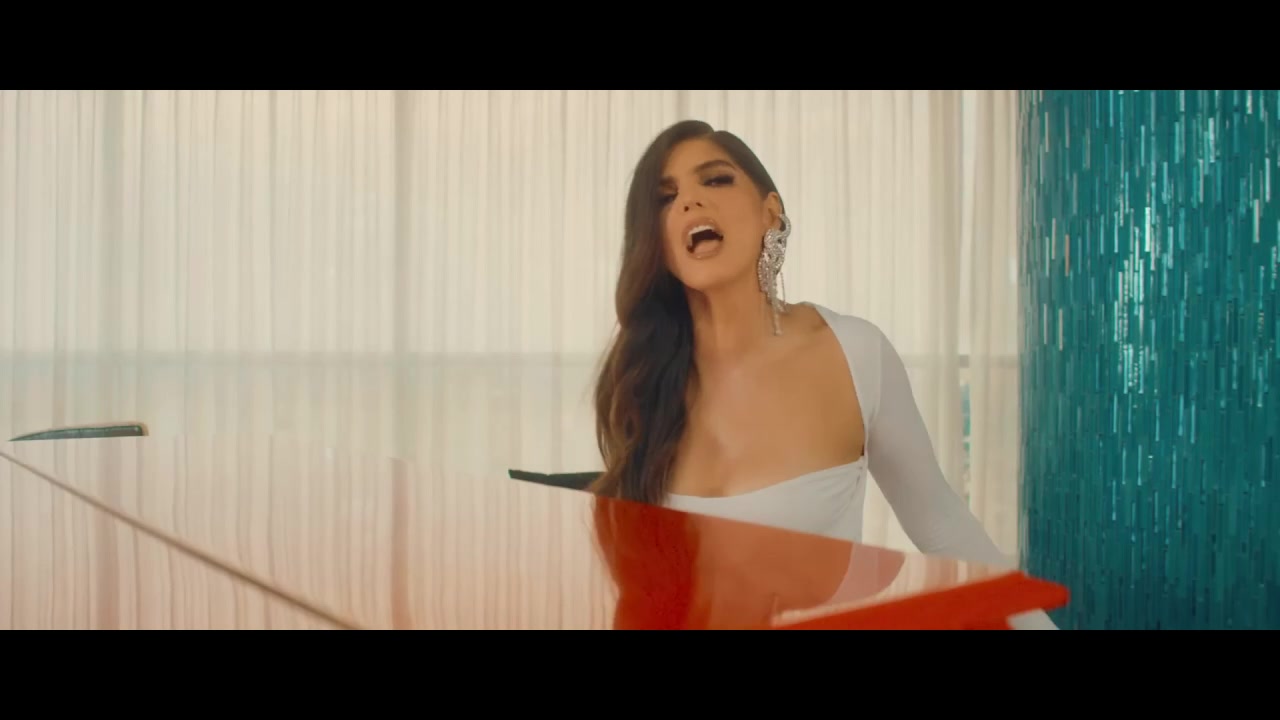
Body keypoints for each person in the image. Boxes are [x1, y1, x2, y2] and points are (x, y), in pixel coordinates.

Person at [590, 119, 1058, 630]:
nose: (689, 201)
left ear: (771, 213)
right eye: (666, 197)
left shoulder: (853, 352)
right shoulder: (639, 379)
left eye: (716, 179)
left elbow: (943, 527)